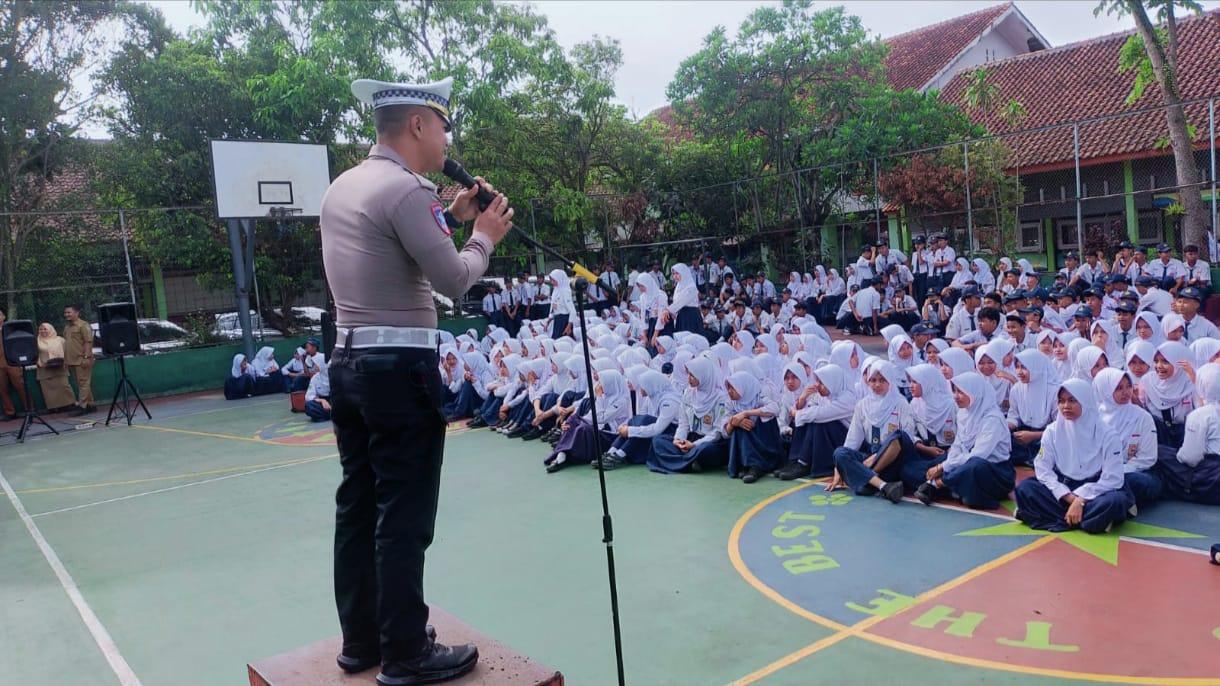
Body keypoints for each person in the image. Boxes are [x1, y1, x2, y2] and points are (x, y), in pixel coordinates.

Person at [323, 75, 512, 683]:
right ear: (419, 125)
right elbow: (455, 279)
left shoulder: (345, 186)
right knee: (403, 513)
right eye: (444, 123)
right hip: (398, 370)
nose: (448, 136)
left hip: (350, 364)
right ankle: (406, 652)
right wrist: (484, 237)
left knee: (359, 503)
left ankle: (364, 640)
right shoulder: (407, 192)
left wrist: (449, 220)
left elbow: (397, 257)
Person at [1014, 379, 1133, 533]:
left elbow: (1113, 478)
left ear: (1086, 401)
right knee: (1025, 488)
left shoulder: (1108, 434)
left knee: (1115, 501)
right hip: (1065, 487)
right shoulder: (1052, 431)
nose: (1066, 406)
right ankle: (1089, 521)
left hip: (1096, 490)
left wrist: (1081, 499)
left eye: (1072, 401)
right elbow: (1043, 469)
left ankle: (1043, 516)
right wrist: (1068, 497)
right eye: (1061, 401)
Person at [914, 372, 1014, 509]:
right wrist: (945, 464)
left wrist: (943, 468)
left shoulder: (993, 419)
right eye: (954, 391)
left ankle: (937, 485)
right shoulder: (964, 413)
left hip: (996, 473)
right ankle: (956, 488)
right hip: (966, 464)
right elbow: (957, 445)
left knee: (974, 465)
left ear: (975, 393)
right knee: (919, 468)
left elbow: (979, 455)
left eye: (961, 392)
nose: (956, 396)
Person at [828, 361, 911, 503]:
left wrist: (877, 457)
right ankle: (882, 485)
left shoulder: (900, 403)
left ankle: (867, 481)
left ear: (890, 380)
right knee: (839, 453)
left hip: (891, 458)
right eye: (872, 380)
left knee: (897, 436)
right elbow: (852, 440)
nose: (877, 385)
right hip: (869, 456)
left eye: (882, 380)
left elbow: (907, 437)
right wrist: (838, 469)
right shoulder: (862, 405)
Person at [648, 356, 731, 474]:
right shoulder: (688, 393)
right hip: (690, 438)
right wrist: (679, 439)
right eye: (688, 374)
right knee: (658, 441)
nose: (689, 379)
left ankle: (679, 462)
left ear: (704, 375)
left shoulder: (720, 399)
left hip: (709, 441)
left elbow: (717, 433)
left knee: (705, 450)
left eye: (692, 375)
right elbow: (683, 424)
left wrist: (694, 445)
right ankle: (689, 463)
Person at [1093, 368, 1161, 509]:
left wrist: (1117, 471)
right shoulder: (1094, 418)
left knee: (1132, 481)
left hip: (1135, 472)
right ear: (1104, 390)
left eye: (1128, 386)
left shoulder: (1143, 417)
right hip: (1101, 472)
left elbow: (1148, 457)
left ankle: (1112, 504)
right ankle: (1118, 506)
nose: (1126, 392)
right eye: (1118, 388)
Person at [1159, 362, 1220, 504]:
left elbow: (1190, 459)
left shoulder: (1201, 415)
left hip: (1211, 475)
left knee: (1158, 452)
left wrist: (1178, 454)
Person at [723, 371, 782, 483]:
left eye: (733, 388)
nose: (729, 391)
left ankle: (755, 466)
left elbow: (775, 408)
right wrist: (734, 422)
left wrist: (746, 413)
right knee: (739, 425)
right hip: (746, 443)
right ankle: (747, 465)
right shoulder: (731, 403)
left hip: (764, 442)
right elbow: (725, 432)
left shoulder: (758, 396)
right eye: (728, 388)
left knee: (757, 418)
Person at [1006, 350, 1057, 467]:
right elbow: (1013, 417)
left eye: (1024, 367)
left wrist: (1033, 436)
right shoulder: (1017, 389)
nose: (1019, 372)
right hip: (1023, 434)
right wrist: (1003, 427)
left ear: (1036, 367)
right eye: (1017, 367)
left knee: (1052, 447)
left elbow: (1060, 429)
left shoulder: (1054, 391)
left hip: (1045, 436)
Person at [1139, 341, 1195, 449]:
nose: (1158, 366)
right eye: (1156, 361)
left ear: (1178, 363)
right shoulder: (1148, 381)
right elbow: (1141, 410)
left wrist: (1194, 380)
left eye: (1165, 361)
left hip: (1186, 436)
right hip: (1158, 437)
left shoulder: (1190, 383)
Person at [62, 305, 94, 415]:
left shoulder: (83, 325)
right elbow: (67, 345)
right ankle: (90, 405)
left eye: (69, 312)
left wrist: (86, 357)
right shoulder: (67, 327)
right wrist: (66, 360)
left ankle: (82, 407)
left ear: (77, 313)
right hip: (71, 361)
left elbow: (88, 342)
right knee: (82, 384)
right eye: (65, 313)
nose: (66, 315)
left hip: (82, 359)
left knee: (83, 383)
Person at [35, 322, 75, 411]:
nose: (43, 331)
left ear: (51, 329)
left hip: (60, 367)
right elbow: (35, 354)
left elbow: (66, 351)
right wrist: (40, 363)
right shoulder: (36, 341)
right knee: (48, 389)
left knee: (64, 386)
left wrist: (66, 361)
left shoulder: (60, 340)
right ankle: (54, 407)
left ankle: (70, 404)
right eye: (41, 329)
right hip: (45, 369)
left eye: (45, 329)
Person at [0, 307, 29, 419]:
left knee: (20, 385)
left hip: (13, 362)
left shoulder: (11, 329)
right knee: (2, 389)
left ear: (3, 317)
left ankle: (29, 409)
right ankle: (10, 412)